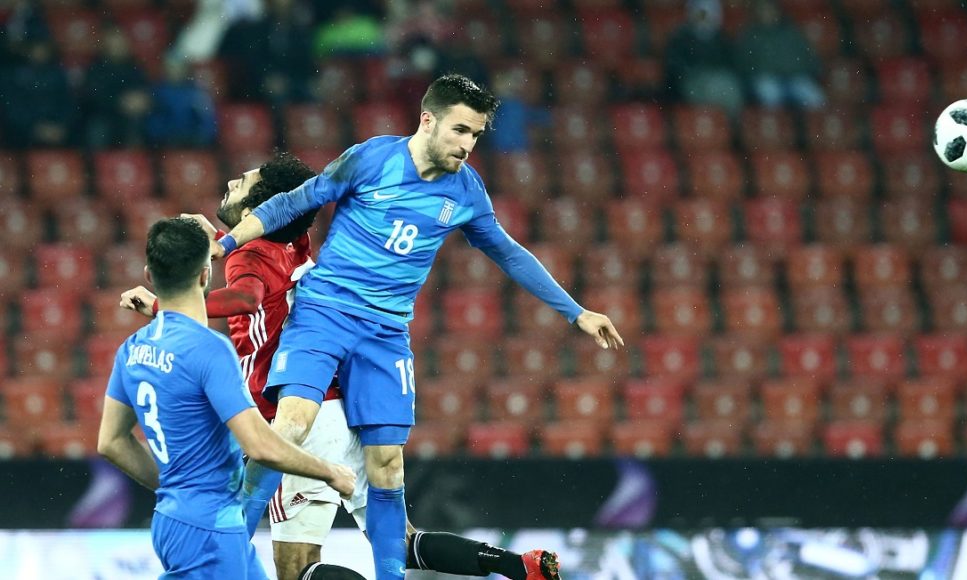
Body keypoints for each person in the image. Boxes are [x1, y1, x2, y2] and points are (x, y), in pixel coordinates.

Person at [212, 73, 624, 580]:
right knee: (291, 424)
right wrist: (224, 245)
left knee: (388, 467)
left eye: (476, 135)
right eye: (460, 130)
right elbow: (292, 202)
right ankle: (227, 552)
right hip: (324, 314)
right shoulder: (371, 159)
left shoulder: (467, 191)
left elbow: (508, 253)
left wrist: (576, 312)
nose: (467, 145)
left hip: (386, 335)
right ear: (428, 120)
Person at [121, 152, 565, 580]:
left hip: (289, 416)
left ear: (257, 209)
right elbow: (275, 237)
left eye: (243, 183)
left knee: (296, 570)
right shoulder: (295, 240)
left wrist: (165, 304)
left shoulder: (247, 255)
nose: (232, 182)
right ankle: (515, 565)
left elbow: (247, 296)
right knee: (399, 543)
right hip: (337, 405)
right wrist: (212, 240)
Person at [98, 217, 357, 579]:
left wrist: (176, 489)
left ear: (149, 275)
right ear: (206, 275)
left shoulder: (132, 349)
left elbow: (111, 442)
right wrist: (329, 472)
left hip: (181, 517)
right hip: (210, 526)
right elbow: (259, 444)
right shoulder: (209, 350)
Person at [734, 0, 825, 109]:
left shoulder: (791, 31)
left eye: (770, 10)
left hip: (795, 77)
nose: (767, 13)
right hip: (767, 79)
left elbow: (807, 56)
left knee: (815, 98)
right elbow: (745, 64)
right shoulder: (750, 35)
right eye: (763, 10)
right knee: (770, 94)